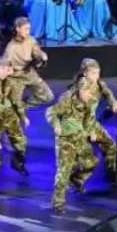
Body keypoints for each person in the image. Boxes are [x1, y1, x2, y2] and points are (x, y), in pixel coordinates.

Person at [47, 82, 100, 215]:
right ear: (81, 90)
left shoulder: (90, 100)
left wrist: (92, 131)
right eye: (88, 92)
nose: (90, 96)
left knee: (92, 162)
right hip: (65, 139)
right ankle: (58, 202)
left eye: (92, 93)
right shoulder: (67, 99)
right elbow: (50, 112)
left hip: (80, 136)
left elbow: (90, 118)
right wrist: (56, 124)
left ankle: (76, 180)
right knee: (64, 170)